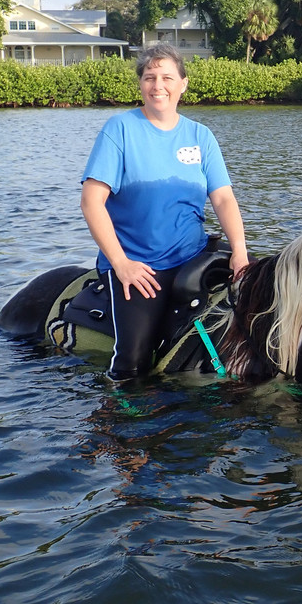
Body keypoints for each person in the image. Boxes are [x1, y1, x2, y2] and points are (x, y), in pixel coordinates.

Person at [80, 43, 249, 379]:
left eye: (167, 77)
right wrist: (122, 264)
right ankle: (123, 413)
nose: (159, 85)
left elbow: (224, 200)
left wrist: (240, 253)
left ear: (183, 84)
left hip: (194, 255)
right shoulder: (120, 129)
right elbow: (91, 202)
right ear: (141, 84)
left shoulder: (201, 136)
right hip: (139, 264)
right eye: (150, 77)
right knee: (134, 360)